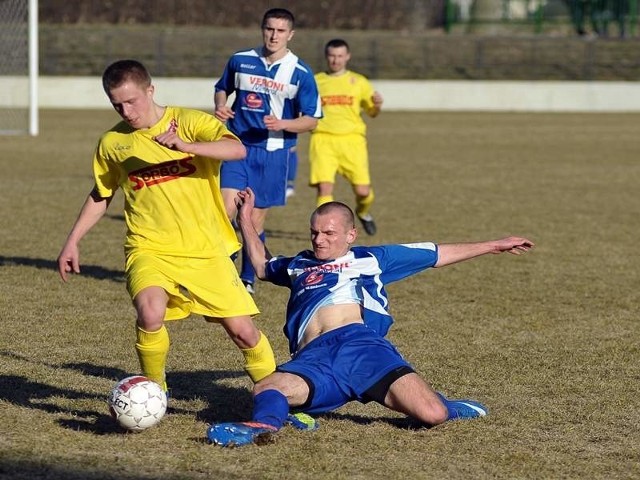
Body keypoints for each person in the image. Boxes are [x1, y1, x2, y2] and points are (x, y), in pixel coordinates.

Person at [206, 188, 534, 447]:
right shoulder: (299, 265)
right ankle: (262, 426)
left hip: (361, 348)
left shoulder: (373, 259)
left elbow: (436, 253)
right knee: (268, 386)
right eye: (314, 232)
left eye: (329, 233)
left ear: (351, 235)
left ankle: (448, 406)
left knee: (431, 415)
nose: (319, 240)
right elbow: (262, 266)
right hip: (312, 359)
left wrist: (494, 245)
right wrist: (245, 219)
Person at [57, 59, 277, 394]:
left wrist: (186, 147)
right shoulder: (112, 143)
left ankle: (279, 396)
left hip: (205, 248)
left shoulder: (188, 122)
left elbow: (236, 149)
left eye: (132, 101)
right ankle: (154, 389)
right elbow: (102, 194)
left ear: (151, 90)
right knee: (150, 312)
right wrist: (72, 241)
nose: (126, 111)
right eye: (117, 104)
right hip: (149, 246)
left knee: (243, 332)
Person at [214, 7, 322, 294]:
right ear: (263, 29)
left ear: (291, 34)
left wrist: (284, 122)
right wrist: (220, 105)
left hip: (274, 153)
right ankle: (223, 265)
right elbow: (222, 87)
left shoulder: (300, 73)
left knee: (251, 219)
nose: (274, 35)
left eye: (280, 30)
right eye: (269, 28)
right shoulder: (241, 60)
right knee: (225, 210)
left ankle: (248, 278)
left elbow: (311, 120)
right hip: (236, 145)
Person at [309, 38, 384, 236]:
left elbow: (372, 112)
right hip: (323, 139)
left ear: (347, 57)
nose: (336, 60)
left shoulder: (359, 82)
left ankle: (363, 212)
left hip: (352, 141)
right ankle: (325, 232)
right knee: (324, 188)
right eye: (332, 56)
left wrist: (376, 104)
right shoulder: (316, 81)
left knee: (363, 192)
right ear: (327, 57)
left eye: (340, 56)